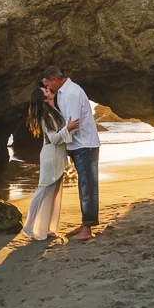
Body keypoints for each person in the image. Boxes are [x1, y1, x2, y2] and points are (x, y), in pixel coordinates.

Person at [41, 66, 100, 240]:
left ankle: (87, 230)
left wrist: (56, 140)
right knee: (83, 187)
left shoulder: (72, 93)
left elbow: (74, 124)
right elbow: (65, 123)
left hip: (85, 146)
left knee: (88, 187)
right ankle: (85, 224)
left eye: (47, 85)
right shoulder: (62, 93)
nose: (48, 89)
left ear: (55, 80)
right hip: (76, 146)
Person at [21, 84, 80, 240]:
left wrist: (65, 128)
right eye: (45, 91)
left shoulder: (52, 112)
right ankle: (28, 227)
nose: (48, 90)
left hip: (57, 155)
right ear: (44, 99)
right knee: (42, 192)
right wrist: (68, 128)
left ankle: (48, 228)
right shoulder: (45, 116)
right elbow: (53, 139)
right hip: (51, 157)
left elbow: (55, 136)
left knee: (53, 194)